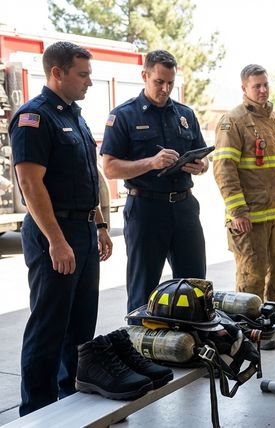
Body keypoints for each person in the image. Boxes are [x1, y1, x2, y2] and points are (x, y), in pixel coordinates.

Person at [10, 41, 112, 415]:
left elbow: (89, 177)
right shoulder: (34, 117)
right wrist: (56, 240)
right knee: (49, 326)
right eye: (82, 74)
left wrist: (100, 224)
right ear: (57, 73)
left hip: (83, 231)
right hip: (55, 233)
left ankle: (72, 404)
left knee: (81, 325)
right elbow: (31, 185)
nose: (89, 81)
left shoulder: (75, 116)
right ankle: (36, 411)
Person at [101, 50, 208, 313]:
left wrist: (200, 166)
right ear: (145, 76)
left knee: (196, 287)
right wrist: (151, 162)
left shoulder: (185, 114)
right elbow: (110, 168)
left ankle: (192, 348)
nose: (165, 88)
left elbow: (203, 157)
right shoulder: (124, 115)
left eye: (170, 82)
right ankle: (139, 351)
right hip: (146, 209)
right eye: (159, 81)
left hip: (184, 208)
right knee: (143, 290)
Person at [212, 64, 275, 349]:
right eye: (256, 86)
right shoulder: (233, 122)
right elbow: (224, 169)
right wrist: (238, 211)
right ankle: (250, 333)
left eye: (265, 84)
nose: (263, 90)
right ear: (244, 89)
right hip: (249, 218)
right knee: (251, 277)